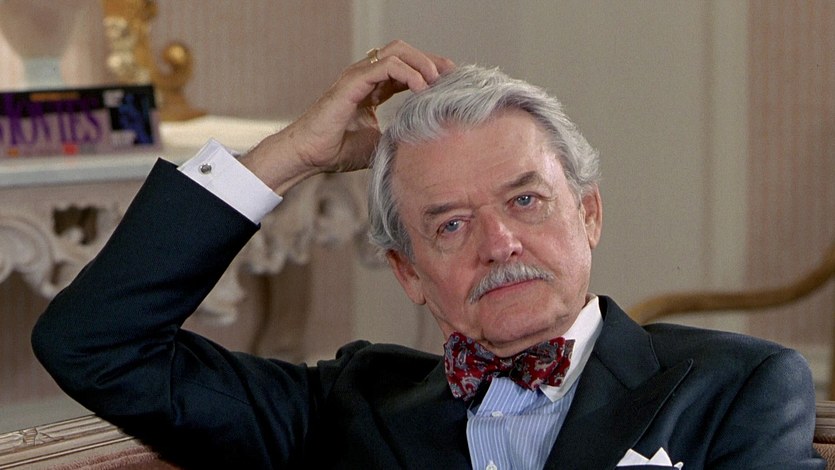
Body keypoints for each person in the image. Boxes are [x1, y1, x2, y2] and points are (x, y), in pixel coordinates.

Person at [32, 40, 823, 469]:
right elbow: (92, 345)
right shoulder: (344, 408)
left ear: (587, 213)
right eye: (448, 225)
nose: (499, 243)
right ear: (407, 272)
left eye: (525, 200)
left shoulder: (734, 386)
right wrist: (292, 153)